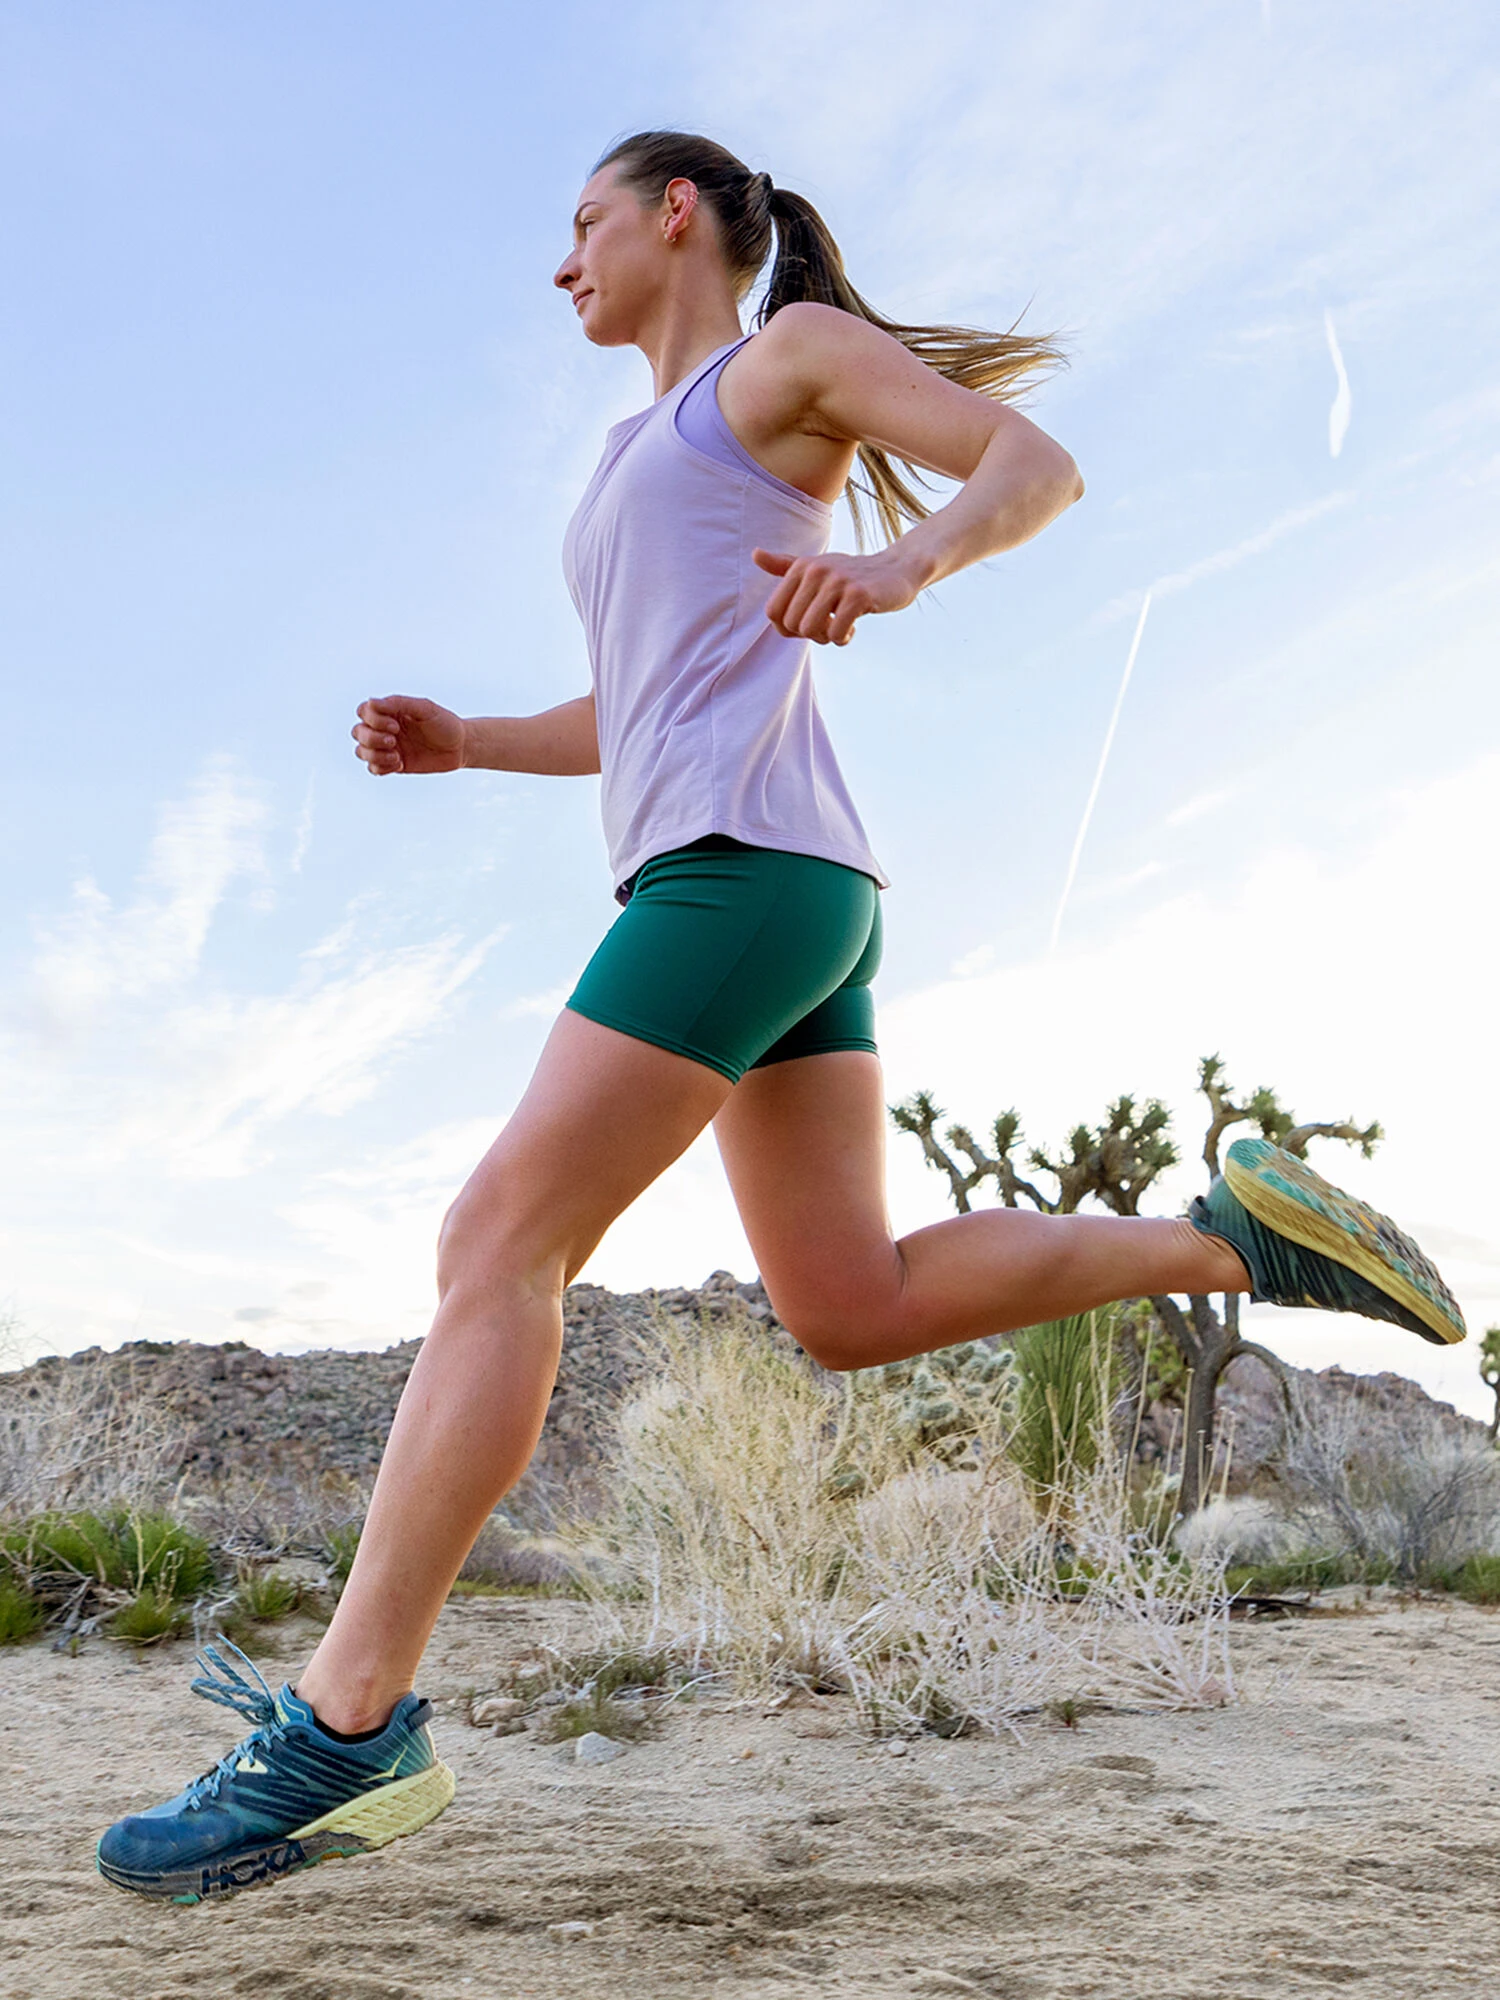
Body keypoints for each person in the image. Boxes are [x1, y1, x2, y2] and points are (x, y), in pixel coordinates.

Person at [96, 130, 1465, 1905]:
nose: (560, 260)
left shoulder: (784, 364)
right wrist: (472, 742)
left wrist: (902, 572)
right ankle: (1227, 1243)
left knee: (496, 1240)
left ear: (679, 214)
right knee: (851, 1303)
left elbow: (1030, 464)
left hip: (739, 878)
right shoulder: (631, 452)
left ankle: (346, 1726)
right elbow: (643, 697)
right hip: (782, 885)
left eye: (581, 221)